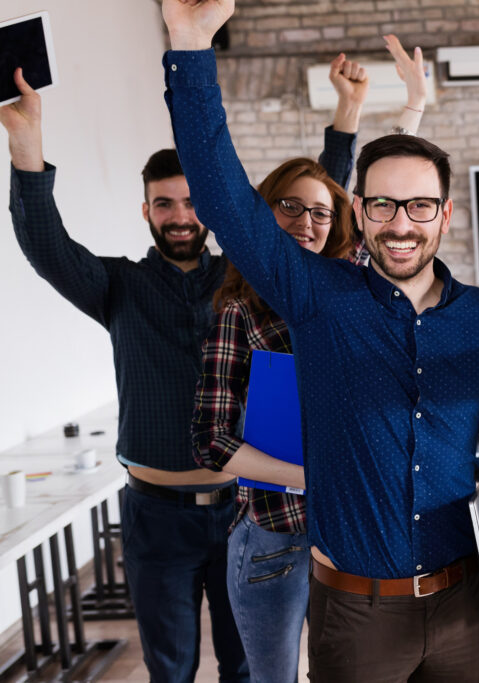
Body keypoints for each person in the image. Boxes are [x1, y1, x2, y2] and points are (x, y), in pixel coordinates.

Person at [161, 2, 479, 681]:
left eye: (420, 205)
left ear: (445, 215)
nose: (401, 223)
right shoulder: (318, 297)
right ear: (359, 213)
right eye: (383, 205)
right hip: (355, 615)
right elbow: (223, 200)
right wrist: (189, 47)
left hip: (460, 608)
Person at [192, 43, 427, 683]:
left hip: (350, 536)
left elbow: (382, 202)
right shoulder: (239, 310)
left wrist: (413, 108)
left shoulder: (348, 289)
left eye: (320, 213)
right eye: (289, 207)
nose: (307, 221)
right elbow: (211, 441)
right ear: (262, 215)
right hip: (275, 538)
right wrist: (306, 475)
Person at [3, 68, 248, 682]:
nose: (180, 215)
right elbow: (47, 246)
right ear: (146, 210)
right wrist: (26, 146)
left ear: (209, 208)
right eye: (165, 203)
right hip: (156, 518)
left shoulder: (244, 282)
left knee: (249, 667)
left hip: (245, 510)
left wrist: (345, 126)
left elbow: (314, 227)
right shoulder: (119, 286)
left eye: (191, 202)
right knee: (170, 671)